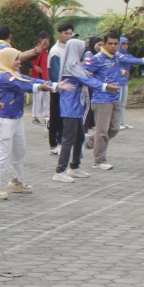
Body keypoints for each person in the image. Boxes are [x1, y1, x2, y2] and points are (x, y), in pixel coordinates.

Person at [0, 46, 57, 197]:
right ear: (6, 60)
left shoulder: (14, 73)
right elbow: (23, 85)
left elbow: (29, 80)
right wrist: (41, 87)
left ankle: (16, 181)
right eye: (16, 59)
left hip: (15, 117)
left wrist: (54, 85)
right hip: (2, 118)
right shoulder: (3, 76)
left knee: (19, 151)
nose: (19, 62)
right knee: (2, 153)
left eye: (18, 58)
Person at [53, 39, 114, 182]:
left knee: (80, 137)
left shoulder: (75, 64)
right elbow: (87, 80)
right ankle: (60, 171)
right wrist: (106, 86)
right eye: (81, 48)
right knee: (68, 139)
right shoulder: (72, 65)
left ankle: (74, 167)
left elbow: (86, 77)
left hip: (76, 105)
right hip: (70, 106)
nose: (83, 51)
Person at [83, 37, 127, 169]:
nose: (113, 46)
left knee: (114, 128)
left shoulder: (116, 57)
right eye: (110, 43)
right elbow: (84, 73)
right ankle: (99, 160)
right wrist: (100, 83)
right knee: (102, 131)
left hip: (115, 98)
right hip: (101, 99)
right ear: (105, 44)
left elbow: (116, 67)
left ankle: (88, 141)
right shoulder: (97, 58)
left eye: (116, 44)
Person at [47, 25, 76, 152]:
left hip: (68, 87)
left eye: (70, 33)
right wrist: (59, 86)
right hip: (58, 88)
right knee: (56, 115)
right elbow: (55, 73)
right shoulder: (55, 51)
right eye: (66, 33)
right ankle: (54, 143)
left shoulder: (71, 48)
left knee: (64, 115)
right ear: (59, 33)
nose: (68, 36)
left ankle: (62, 140)